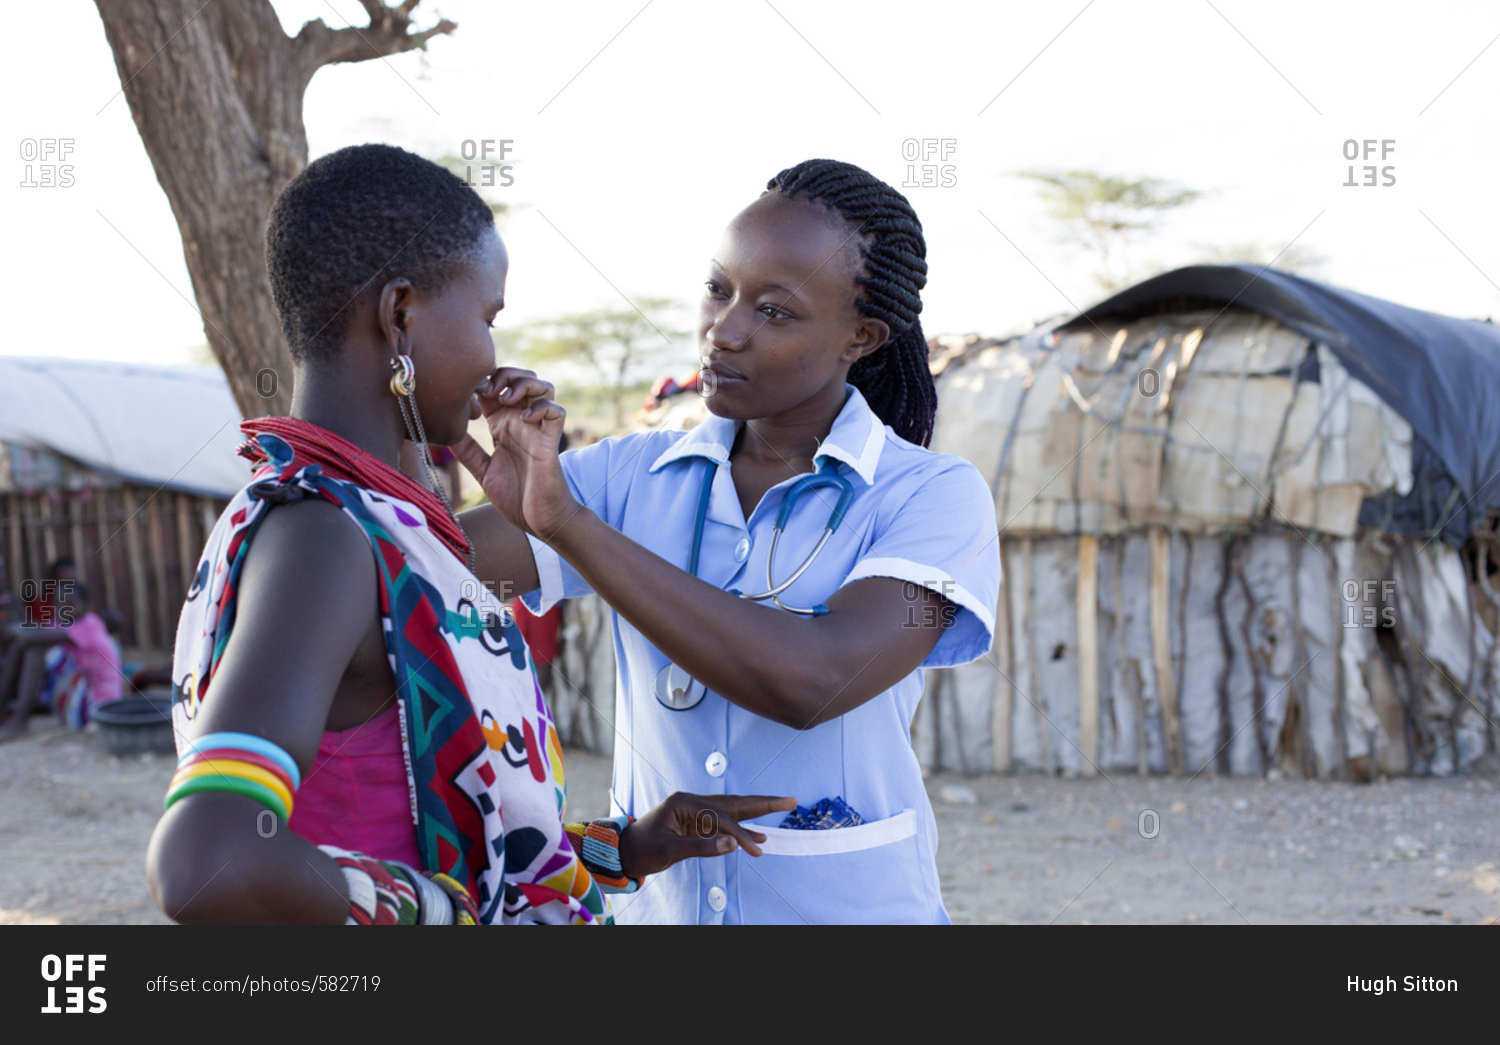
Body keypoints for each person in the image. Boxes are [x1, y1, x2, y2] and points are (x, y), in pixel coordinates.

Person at [147, 143, 792, 925]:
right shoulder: (324, 537)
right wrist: (438, 917)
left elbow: (457, 845)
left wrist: (632, 848)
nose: (495, 358)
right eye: (488, 318)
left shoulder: (363, 525)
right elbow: (210, 856)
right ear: (400, 315)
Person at [456, 158, 1002, 924]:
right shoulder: (628, 474)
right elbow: (421, 571)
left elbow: (814, 682)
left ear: (862, 335)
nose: (726, 330)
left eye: (774, 312)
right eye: (719, 290)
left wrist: (570, 529)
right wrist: (431, 416)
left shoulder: (929, 496)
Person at [0, 579, 123, 739]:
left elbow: (32, 636)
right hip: (79, 696)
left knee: (33, 648)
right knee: (24, 646)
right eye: (58, 603)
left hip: (98, 706)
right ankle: (3, 712)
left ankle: (19, 721)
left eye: (70, 603)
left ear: (87, 605)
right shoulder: (65, 623)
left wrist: (11, 628)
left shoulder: (90, 625)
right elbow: (32, 633)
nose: (62, 608)